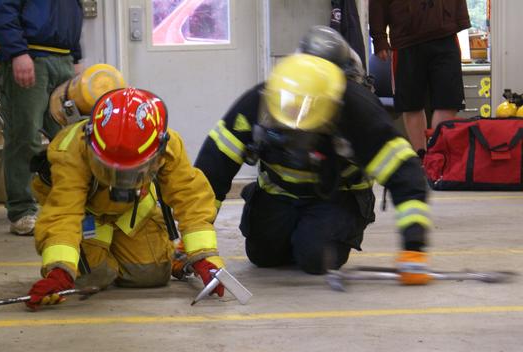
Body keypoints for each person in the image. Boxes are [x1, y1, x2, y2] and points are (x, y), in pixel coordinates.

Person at [194, 51, 432, 285]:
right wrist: (193, 239)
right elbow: (213, 169)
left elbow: (404, 173)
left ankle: (315, 235)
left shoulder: (356, 109)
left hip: (336, 196)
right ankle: (290, 233)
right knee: (262, 257)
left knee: (315, 258)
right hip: (278, 194)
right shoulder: (257, 103)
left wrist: (414, 247)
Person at [26, 87, 225, 310]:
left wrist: (204, 256)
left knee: (151, 275)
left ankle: (173, 257)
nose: (120, 180)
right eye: (111, 170)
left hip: (131, 212)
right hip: (89, 214)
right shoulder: (71, 150)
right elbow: (64, 212)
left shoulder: (167, 145)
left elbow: (190, 198)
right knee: (94, 277)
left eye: (131, 172)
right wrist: (59, 269)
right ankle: (95, 253)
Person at [0, 0, 83, 235]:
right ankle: (22, 211)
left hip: (62, 59)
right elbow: (3, 9)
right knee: (25, 137)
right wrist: (18, 52)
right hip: (31, 56)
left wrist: (75, 56)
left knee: (68, 139)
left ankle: (66, 206)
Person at [369, 0, 471, 155]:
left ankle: (438, 157)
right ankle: (422, 158)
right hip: (406, 40)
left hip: (445, 34)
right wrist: (379, 38)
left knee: (449, 102)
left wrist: (461, 19)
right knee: (411, 104)